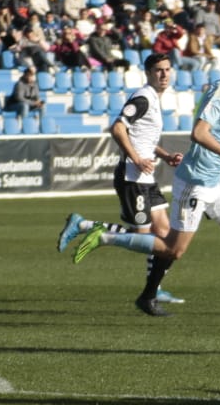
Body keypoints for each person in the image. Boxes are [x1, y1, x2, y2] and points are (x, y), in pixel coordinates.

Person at [75, 42, 220, 325]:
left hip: (214, 179)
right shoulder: (219, 94)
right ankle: (104, 237)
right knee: (173, 250)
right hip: (194, 182)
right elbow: (199, 133)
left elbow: (218, 137)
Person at [57, 52, 191, 309]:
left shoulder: (153, 98)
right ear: (149, 73)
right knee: (143, 237)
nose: (164, 74)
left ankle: (156, 288)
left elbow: (145, 139)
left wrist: (164, 155)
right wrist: (137, 159)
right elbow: (118, 128)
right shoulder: (142, 97)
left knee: (164, 235)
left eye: (167, 69)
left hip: (146, 177)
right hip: (132, 176)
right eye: (158, 70)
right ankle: (84, 225)